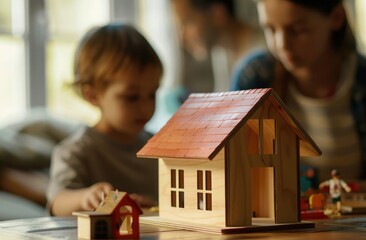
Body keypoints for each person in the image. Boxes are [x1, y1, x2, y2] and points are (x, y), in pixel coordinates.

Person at [231, 0, 366, 201]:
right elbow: (237, 170)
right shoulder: (254, 78)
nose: (282, 44)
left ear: (336, 18)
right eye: (270, 29)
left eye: (297, 30)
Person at [46, 24, 162, 216]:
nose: (146, 107)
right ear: (93, 96)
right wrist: (85, 197)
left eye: (152, 94)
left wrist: (156, 208)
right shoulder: (75, 151)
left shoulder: (159, 149)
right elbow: (57, 203)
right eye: (131, 97)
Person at [171, 0, 265, 97]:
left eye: (187, 22)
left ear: (217, 13)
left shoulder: (263, 54)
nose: (182, 37)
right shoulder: (221, 52)